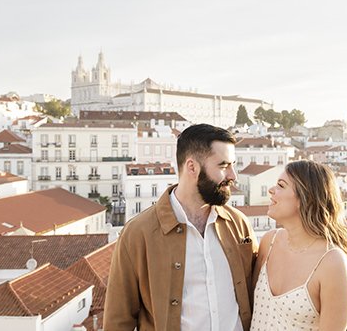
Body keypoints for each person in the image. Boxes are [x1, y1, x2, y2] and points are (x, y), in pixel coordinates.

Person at [104, 124, 257, 331]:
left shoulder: (238, 224)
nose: (233, 175)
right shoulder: (138, 234)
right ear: (192, 167)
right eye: (223, 166)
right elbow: (118, 321)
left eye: (233, 165)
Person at [249, 160, 347, 331]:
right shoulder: (269, 242)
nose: (271, 190)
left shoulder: (332, 263)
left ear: (304, 198)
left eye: (281, 185)